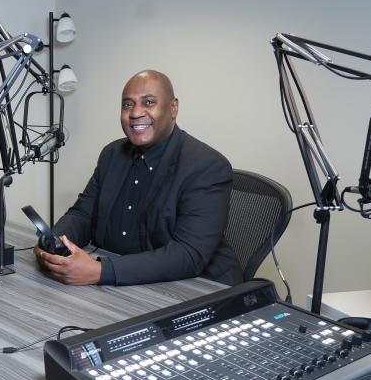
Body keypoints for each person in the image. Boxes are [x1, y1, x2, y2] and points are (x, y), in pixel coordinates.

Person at [36, 70, 242, 286]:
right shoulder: (112, 155)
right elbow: (83, 214)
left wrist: (100, 271)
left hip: (198, 288)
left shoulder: (206, 166)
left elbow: (188, 254)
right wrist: (55, 242)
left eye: (149, 102)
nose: (135, 113)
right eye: (127, 105)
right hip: (126, 283)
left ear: (173, 108)